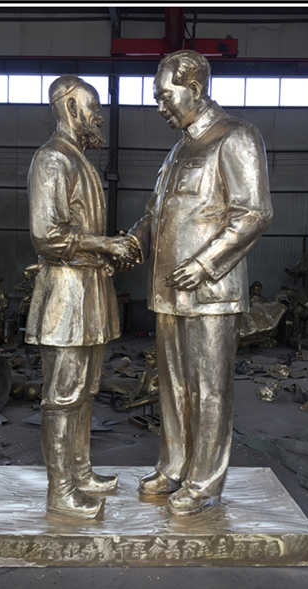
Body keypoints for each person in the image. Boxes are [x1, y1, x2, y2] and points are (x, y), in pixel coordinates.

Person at [125, 50, 273, 516]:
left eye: (165, 96)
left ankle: (204, 481)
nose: (159, 107)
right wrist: (130, 243)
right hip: (168, 291)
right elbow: (155, 213)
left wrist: (205, 264)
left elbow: (253, 213)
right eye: (156, 97)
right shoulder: (178, 150)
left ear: (194, 87)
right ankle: (174, 466)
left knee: (209, 390)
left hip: (210, 292)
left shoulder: (236, 137)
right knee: (173, 387)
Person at [25, 75, 135, 519]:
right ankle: (62, 490)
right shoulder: (53, 158)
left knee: (86, 390)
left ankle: (81, 471)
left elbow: (80, 233)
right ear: (71, 108)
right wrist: (106, 245)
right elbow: (46, 235)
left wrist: (107, 255)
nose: (98, 117)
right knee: (63, 396)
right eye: (93, 108)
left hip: (90, 289)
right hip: (66, 293)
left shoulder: (81, 161)